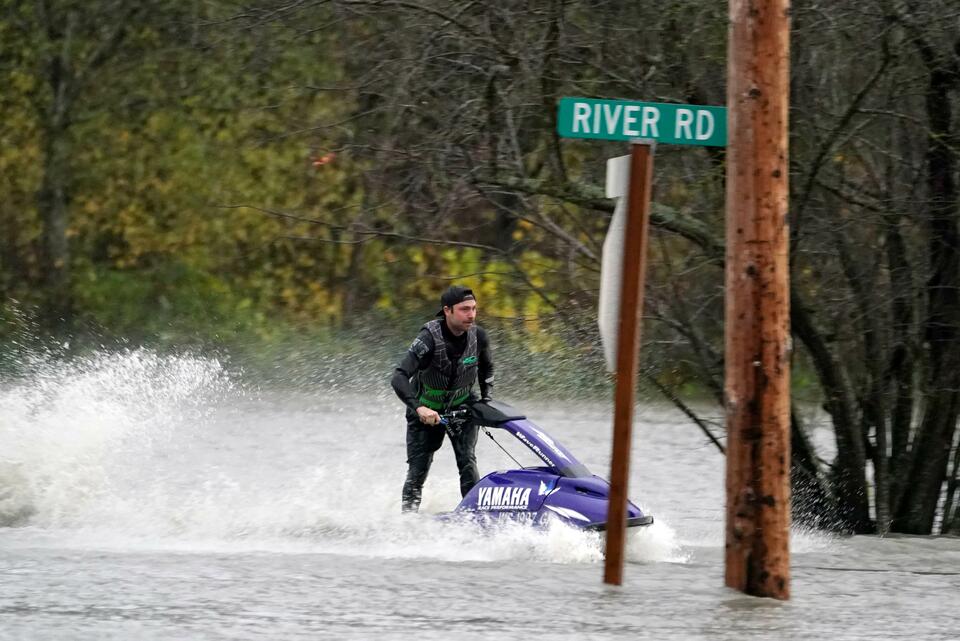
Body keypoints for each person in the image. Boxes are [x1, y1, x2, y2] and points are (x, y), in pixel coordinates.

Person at [391, 285, 495, 512]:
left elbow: (486, 370)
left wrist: (486, 401)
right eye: (464, 309)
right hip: (425, 413)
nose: (471, 315)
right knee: (418, 471)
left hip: (462, 409)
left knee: (467, 462)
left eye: (474, 309)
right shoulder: (427, 339)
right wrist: (419, 409)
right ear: (447, 311)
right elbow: (398, 377)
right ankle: (406, 522)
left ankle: (473, 519)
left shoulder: (479, 337)